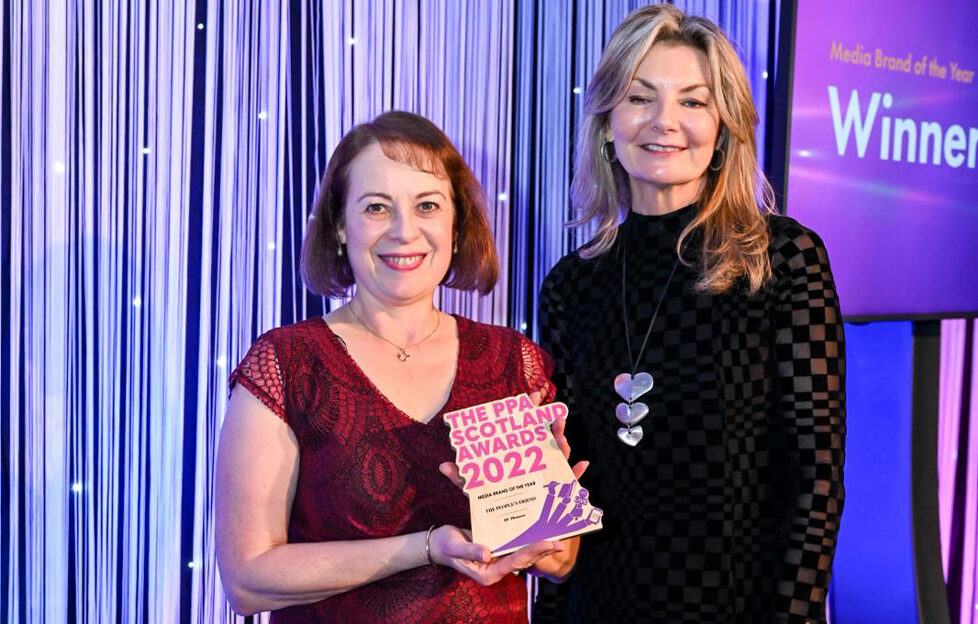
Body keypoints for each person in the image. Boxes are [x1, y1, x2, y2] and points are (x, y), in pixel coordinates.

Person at [533, 5, 845, 624]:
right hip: (601, 606)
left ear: (725, 127)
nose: (664, 123)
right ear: (606, 123)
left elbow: (815, 481)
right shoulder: (570, 284)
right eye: (639, 98)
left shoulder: (781, 258)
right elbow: (570, 479)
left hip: (737, 608)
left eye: (693, 103)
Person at [215, 111, 579, 623]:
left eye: (427, 205)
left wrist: (545, 515)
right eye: (377, 207)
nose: (405, 231)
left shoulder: (508, 363)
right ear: (341, 226)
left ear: (456, 227)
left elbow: (560, 561)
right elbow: (247, 580)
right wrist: (425, 547)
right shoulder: (287, 364)